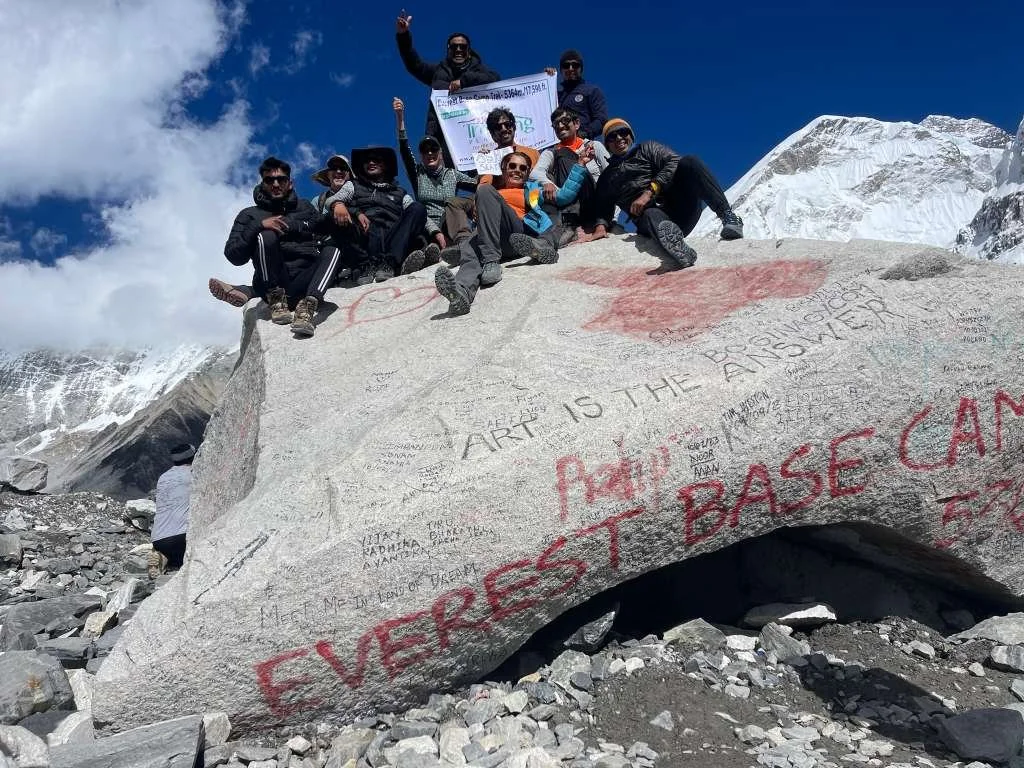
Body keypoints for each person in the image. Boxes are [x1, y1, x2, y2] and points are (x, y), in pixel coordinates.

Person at [434, 148, 593, 316]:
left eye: (523, 168)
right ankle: (462, 292)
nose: (517, 170)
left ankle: (492, 261)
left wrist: (580, 164)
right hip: (492, 240)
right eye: (512, 166)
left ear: (527, 173)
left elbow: (565, 196)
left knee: (484, 193)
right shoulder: (494, 190)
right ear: (504, 169)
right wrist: (485, 157)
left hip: (516, 234)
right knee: (471, 250)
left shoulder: (531, 191)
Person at [593, 118, 744, 268]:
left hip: (680, 208)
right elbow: (602, 209)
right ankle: (677, 248)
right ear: (607, 145)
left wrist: (649, 191)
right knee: (650, 213)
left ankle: (729, 217)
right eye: (612, 136)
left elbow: (674, 162)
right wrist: (600, 226)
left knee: (690, 162)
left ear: (630, 135)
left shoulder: (648, 148)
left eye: (623, 132)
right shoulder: (607, 177)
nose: (619, 138)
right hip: (652, 220)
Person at [222, 156, 345, 337]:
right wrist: (259, 225)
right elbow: (234, 256)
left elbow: (321, 227)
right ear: (263, 183)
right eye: (270, 180)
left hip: (305, 281)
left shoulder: (304, 206)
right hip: (275, 279)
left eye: (281, 179)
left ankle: (308, 306)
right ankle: (275, 298)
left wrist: (337, 205)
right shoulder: (249, 215)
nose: (276, 184)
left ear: (290, 183)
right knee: (266, 236)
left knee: (333, 249)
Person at [395, 12, 500, 165]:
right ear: (448, 50)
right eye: (454, 47)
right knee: (444, 183)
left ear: (469, 51)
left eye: (462, 47)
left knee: (480, 183)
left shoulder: (480, 71)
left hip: (478, 140)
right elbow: (414, 64)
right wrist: (403, 35)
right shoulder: (438, 72)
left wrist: (464, 81)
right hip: (443, 140)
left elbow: (495, 79)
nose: (458, 50)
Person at [393, 97, 477, 274]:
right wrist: (400, 117)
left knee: (457, 201)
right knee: (416, 215)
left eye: (433, 149)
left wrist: (485, 161)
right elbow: (404, 149)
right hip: (426, 225)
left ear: (440, 153)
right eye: (425, 150)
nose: (429, 153)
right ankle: (423, 256)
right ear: (421, 155)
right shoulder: (418, 173)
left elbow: (478, 185)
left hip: (449, 223)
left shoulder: (452, 174)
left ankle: (457, 247)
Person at [444, 107, 544, 246]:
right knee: (454, 203)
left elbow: (537, 181)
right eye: (498, 127)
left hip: (517, 199)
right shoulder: (489, 156)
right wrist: (484, 164)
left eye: (507, 125)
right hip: (490, 197)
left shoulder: (532, 153)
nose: (504, 129)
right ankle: (463, 242)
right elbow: (485, 183)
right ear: (493, 135)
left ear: (514, 128)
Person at [342, 146, 427, 284]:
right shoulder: (352, 185)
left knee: (418, 208)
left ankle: (391, 263)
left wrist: (436, 232)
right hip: (366, 237)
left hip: (393, 241)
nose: (371, 162)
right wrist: (352, 211)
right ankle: (365, 267)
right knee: (343, 217)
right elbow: (334, 201)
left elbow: (416, 212)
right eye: (366, 160)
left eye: (376, 159)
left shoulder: (400, 192)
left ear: (386, 165)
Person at [531, 106, 611, 242]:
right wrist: (547, 183)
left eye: (565, 121)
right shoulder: (552, 152)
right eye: (556, 124)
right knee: (561, 155)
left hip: (595, 205)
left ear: (577, 124)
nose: (561, 126)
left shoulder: (594, 146)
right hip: (567, 203)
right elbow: (535, 174)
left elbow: (612, 178)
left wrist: (610, 218)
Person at [147, 443, 194, 578]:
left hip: (158, 540)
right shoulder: (193, 473)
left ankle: (162, 558)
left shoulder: (163, 478)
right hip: (184, 536)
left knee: (172, 555)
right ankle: (173, 562)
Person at [556, 50, 607, 141]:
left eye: (575, 65)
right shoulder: (555, 96)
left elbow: (601, 120)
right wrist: (546, 79)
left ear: (581, 69)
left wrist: (584, 133)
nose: (571, 68)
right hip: (557, 146)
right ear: (561, 70)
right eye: (566, 65)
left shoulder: (591, 91)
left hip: (582, 144)